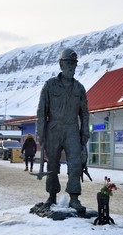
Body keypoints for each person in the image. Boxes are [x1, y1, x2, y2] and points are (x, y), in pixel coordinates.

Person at [37, 48, 90, 212]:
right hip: (53, 129)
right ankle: (52, 195)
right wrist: (41, 133)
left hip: (72, 129)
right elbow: (41, 112)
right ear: (61, 64)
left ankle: (74, 197)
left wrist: (84, 133)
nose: (71, 67)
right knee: (52, 163)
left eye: (74, 64)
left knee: (75, 163)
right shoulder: (49, 85)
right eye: (68, 63)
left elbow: (85, 113)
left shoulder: (79, 88)